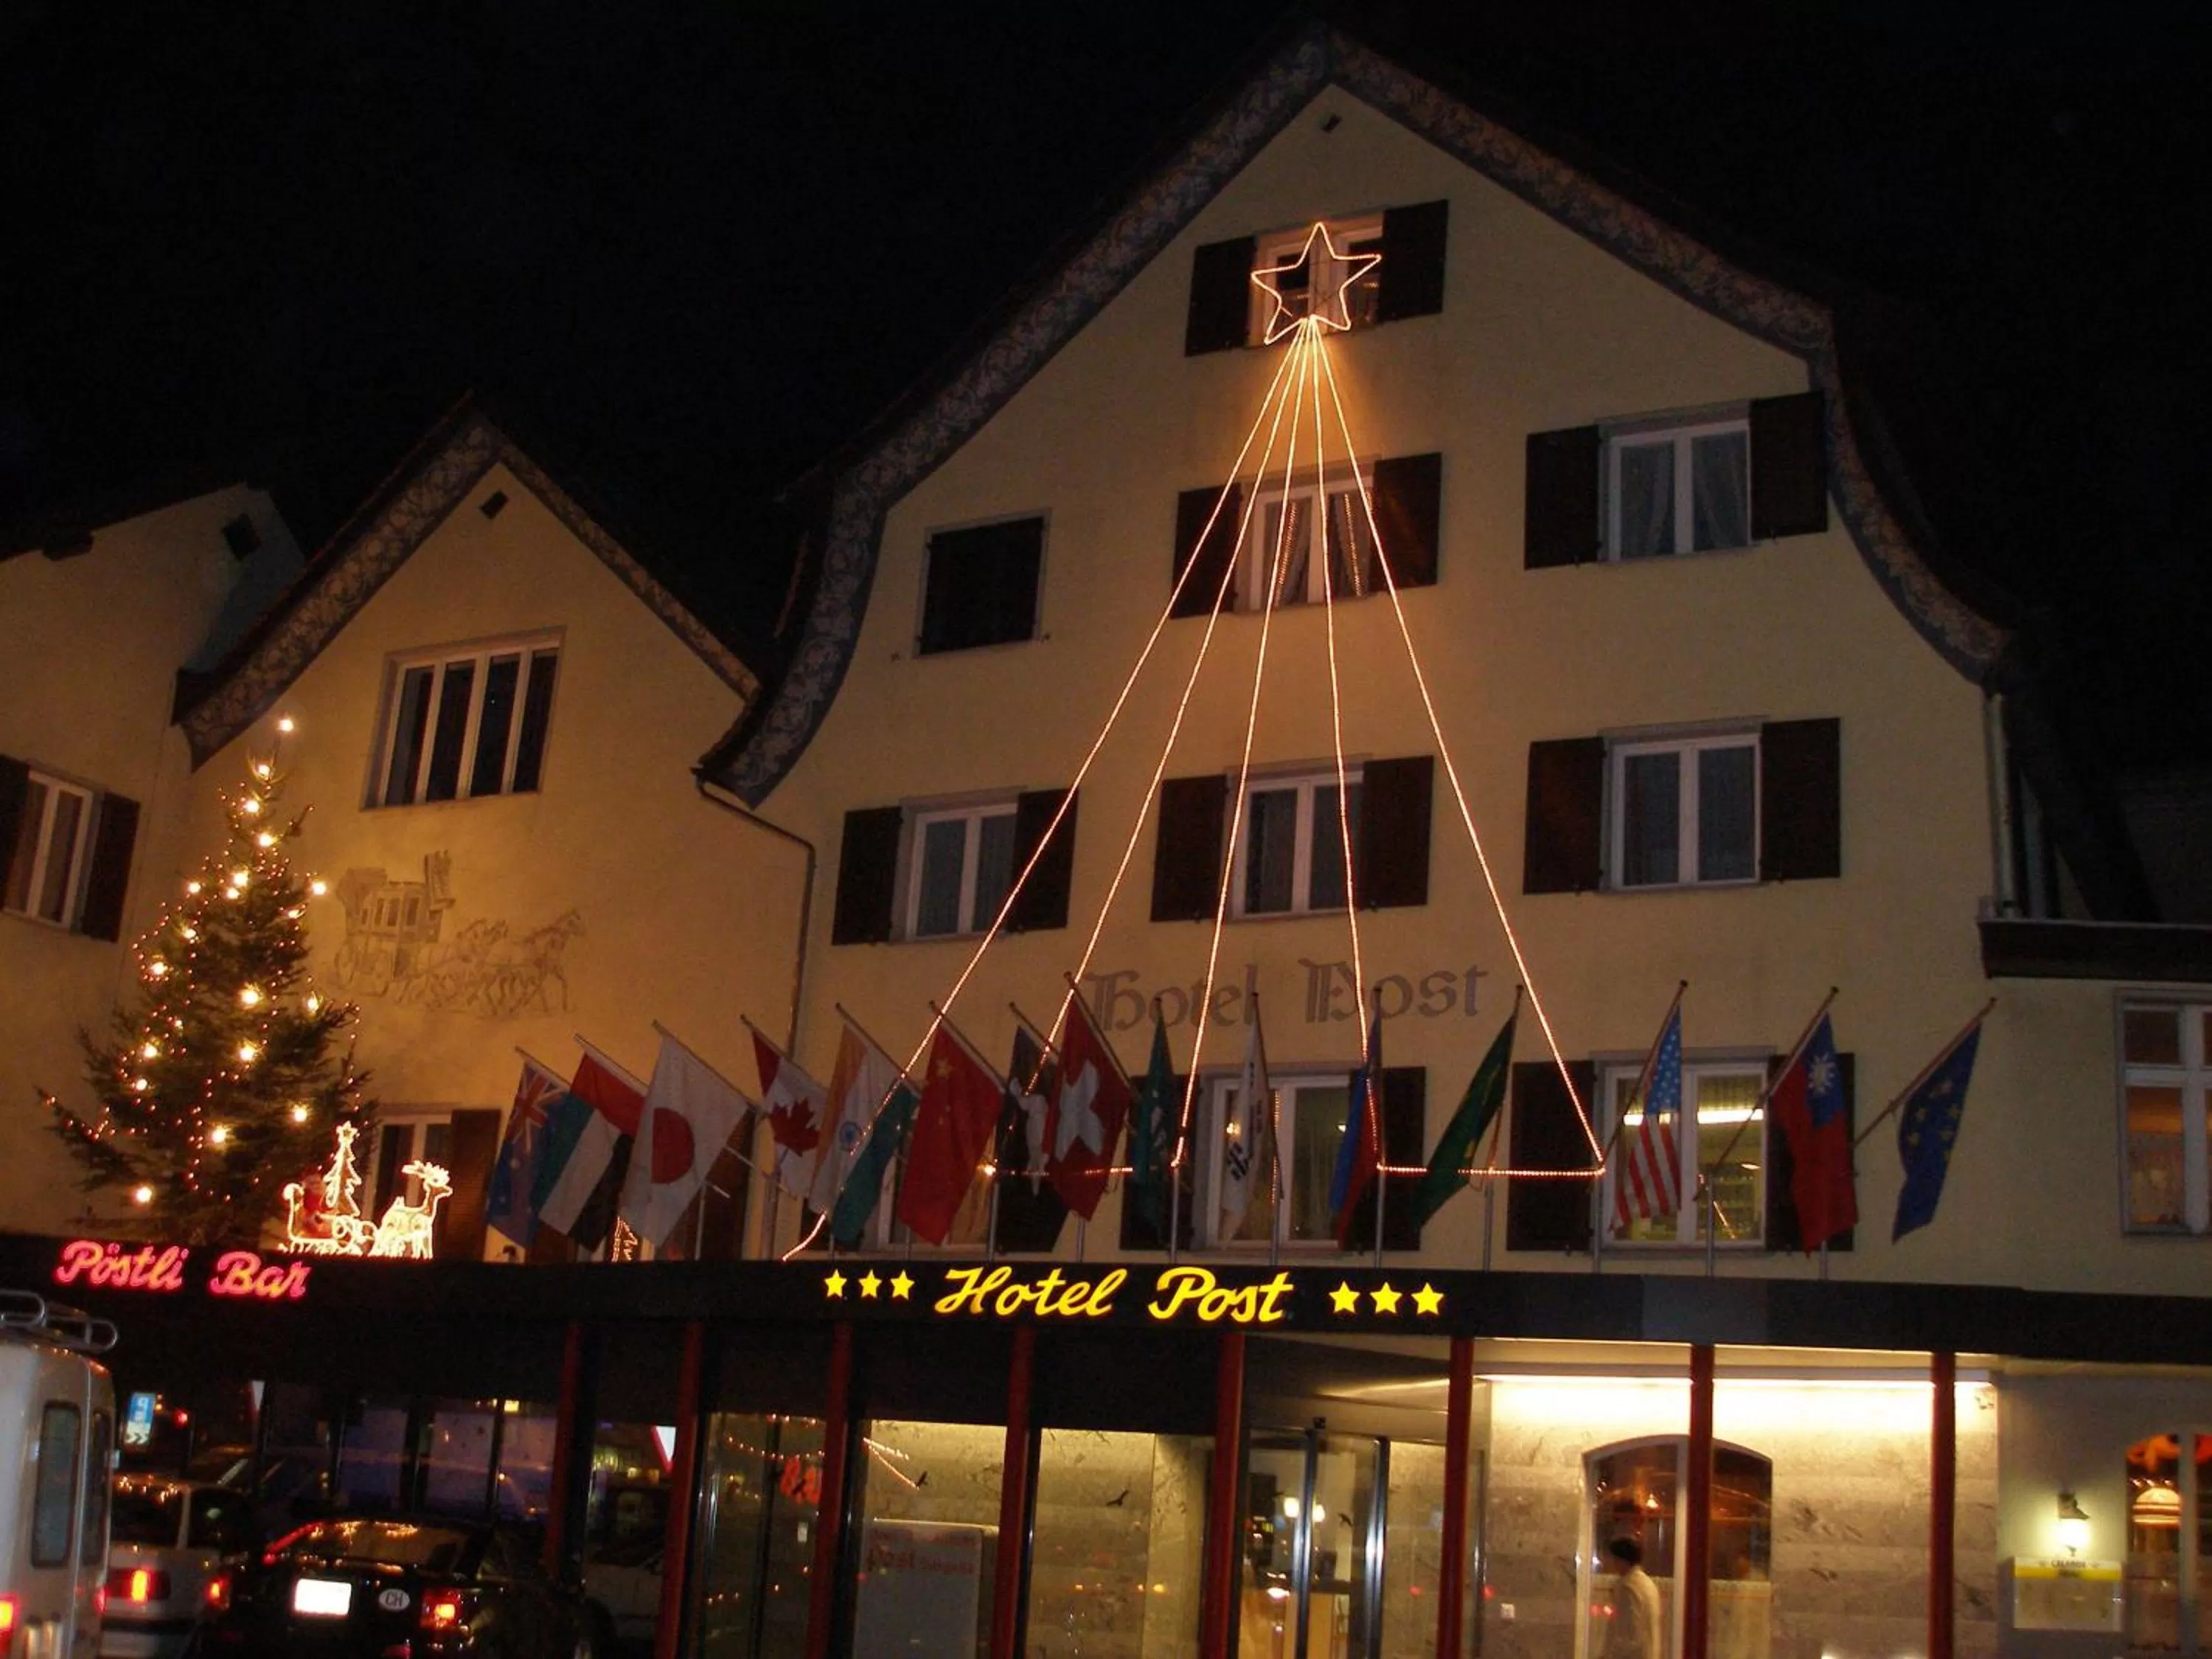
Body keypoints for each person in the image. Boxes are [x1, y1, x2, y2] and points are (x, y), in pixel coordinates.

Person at [1606, 1537, 1663, 1659]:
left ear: (1623, 1560)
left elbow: (1628, 1633)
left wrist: (1609, 1655)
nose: (1613, 1564)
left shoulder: (1628, 1588)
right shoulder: (1648, 1584)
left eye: (1615, 1559)